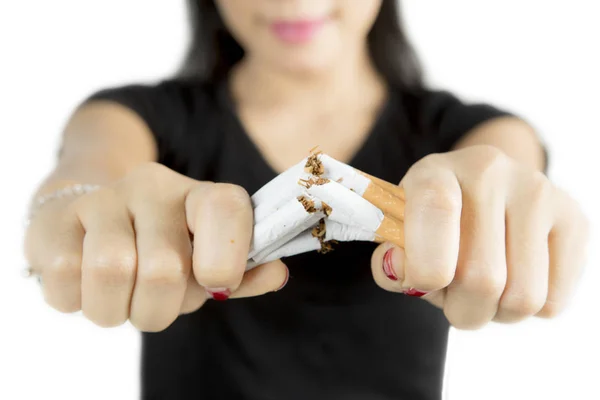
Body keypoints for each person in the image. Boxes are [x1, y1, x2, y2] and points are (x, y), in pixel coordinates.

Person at [23, 0, 588, 399]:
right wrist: (71, 217)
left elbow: (506, 168)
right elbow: (87, 171)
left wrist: (517, 202)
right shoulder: (138, 116)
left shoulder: (468, 130)